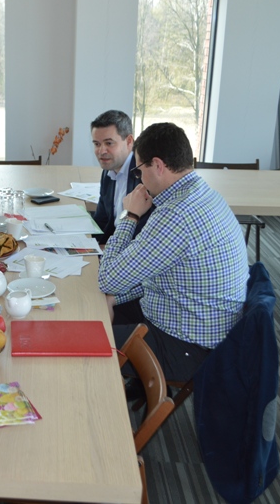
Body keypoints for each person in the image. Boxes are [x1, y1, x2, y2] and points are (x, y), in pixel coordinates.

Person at [98, 122, 248, 383]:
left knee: (88, 338)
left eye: (139, 170)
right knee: (99, 307)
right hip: (203, 325)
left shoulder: (176, 215)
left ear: (157, 165)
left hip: (187, 347)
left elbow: (108, 279)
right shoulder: (204, 194)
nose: (139, 179)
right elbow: (154, 276)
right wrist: (114, 298)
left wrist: (130, 215)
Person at [90, 110, 150, 243]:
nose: (101, 151)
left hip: (132, 249)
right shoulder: (108, 170)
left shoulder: (144, 174)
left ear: (129, 141)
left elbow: (143, 234)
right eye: (97, 144)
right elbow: (101, 221)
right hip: (112, 245)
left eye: (109, 143)